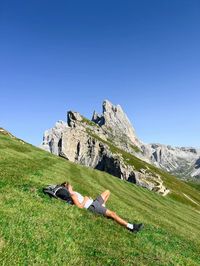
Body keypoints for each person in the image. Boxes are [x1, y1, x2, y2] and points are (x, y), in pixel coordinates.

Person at [60, 181, 144, 233]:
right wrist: (85, 199)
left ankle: (103, 208)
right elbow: (80, 207)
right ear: (67, 187)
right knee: (113, 214)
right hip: (92, 206)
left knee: (107, 192)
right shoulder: (72, 195)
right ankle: (132, 227)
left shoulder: (74, 193)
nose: (71, 185)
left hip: (93, 202)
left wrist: (87, 198)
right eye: (69, 185)